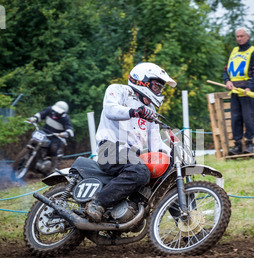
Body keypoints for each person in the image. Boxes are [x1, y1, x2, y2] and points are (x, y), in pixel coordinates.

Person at [86, 62, 177, 222]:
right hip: (110, 149)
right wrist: (134, 112)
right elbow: (110, 109)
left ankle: (191, 229)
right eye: (156, 87)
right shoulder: (119, 90)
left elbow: (155, 144)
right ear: (142, 81)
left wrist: (173, 152)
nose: (159, 92)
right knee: (140, 172)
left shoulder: (151, 111)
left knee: (169, 174)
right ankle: (97, 202)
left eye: (160, 89)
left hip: (133, 156)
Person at [223, 27, 254, 155]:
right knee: (235, 118)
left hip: (247, 90)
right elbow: (226, 69)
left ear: (248, 37)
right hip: (234, 90)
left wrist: (249, 87)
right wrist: (227, 80)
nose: (239, 38)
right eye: (237, 36)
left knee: (248, 117)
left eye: (242, 36)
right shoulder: (234, 51)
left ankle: (249, 144)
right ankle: (238, 145)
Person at [28, 101, 74, 171]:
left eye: (58, 112)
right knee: (34, 139)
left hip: (56, 137)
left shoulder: (65, 118)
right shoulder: (49, 110)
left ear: (63, 112)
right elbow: (40, 114)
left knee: (53, 148)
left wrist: (65, 133)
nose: (56, 113)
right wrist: (34, 119)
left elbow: (70, 129)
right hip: (44, 133)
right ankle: (28, 156)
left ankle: (53, 168)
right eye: (55, 111)